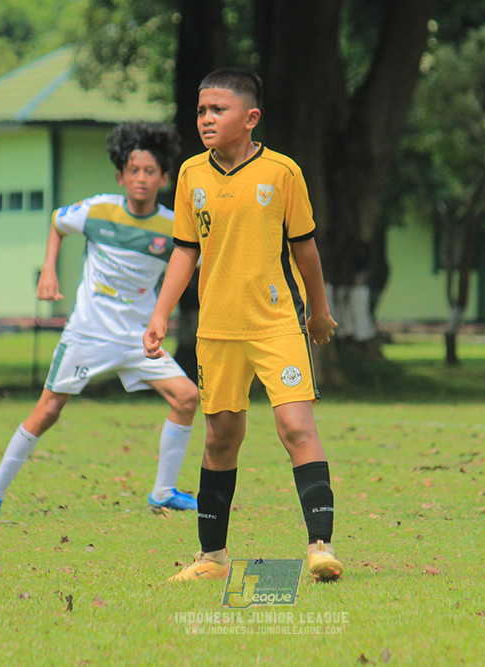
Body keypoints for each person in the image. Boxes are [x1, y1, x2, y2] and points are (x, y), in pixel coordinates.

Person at [144, 68, 343, 583]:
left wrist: (317, 311)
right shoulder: (191, 174)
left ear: (250, 118)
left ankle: (320, 547)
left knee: (296, 428)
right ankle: (212, 559)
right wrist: (160, 315)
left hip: (276, 324)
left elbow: (305, 249)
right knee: (220, 438)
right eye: (201, 110)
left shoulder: (282, 173)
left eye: (218, 110)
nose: (206, 119)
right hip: (217, 330)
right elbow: (185, 251)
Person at [0, 122, 200, 516]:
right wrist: (49, 269)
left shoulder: (172, 226)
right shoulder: (98, 210)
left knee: (187, 397)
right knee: (48, 410)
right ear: (120, 176)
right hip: (88, 334)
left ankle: (163, 492)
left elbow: (189, 264)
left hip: (138, 338)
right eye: (133, 171)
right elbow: (59, 222)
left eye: (150, 172)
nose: (141, 179)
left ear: (164, 178)